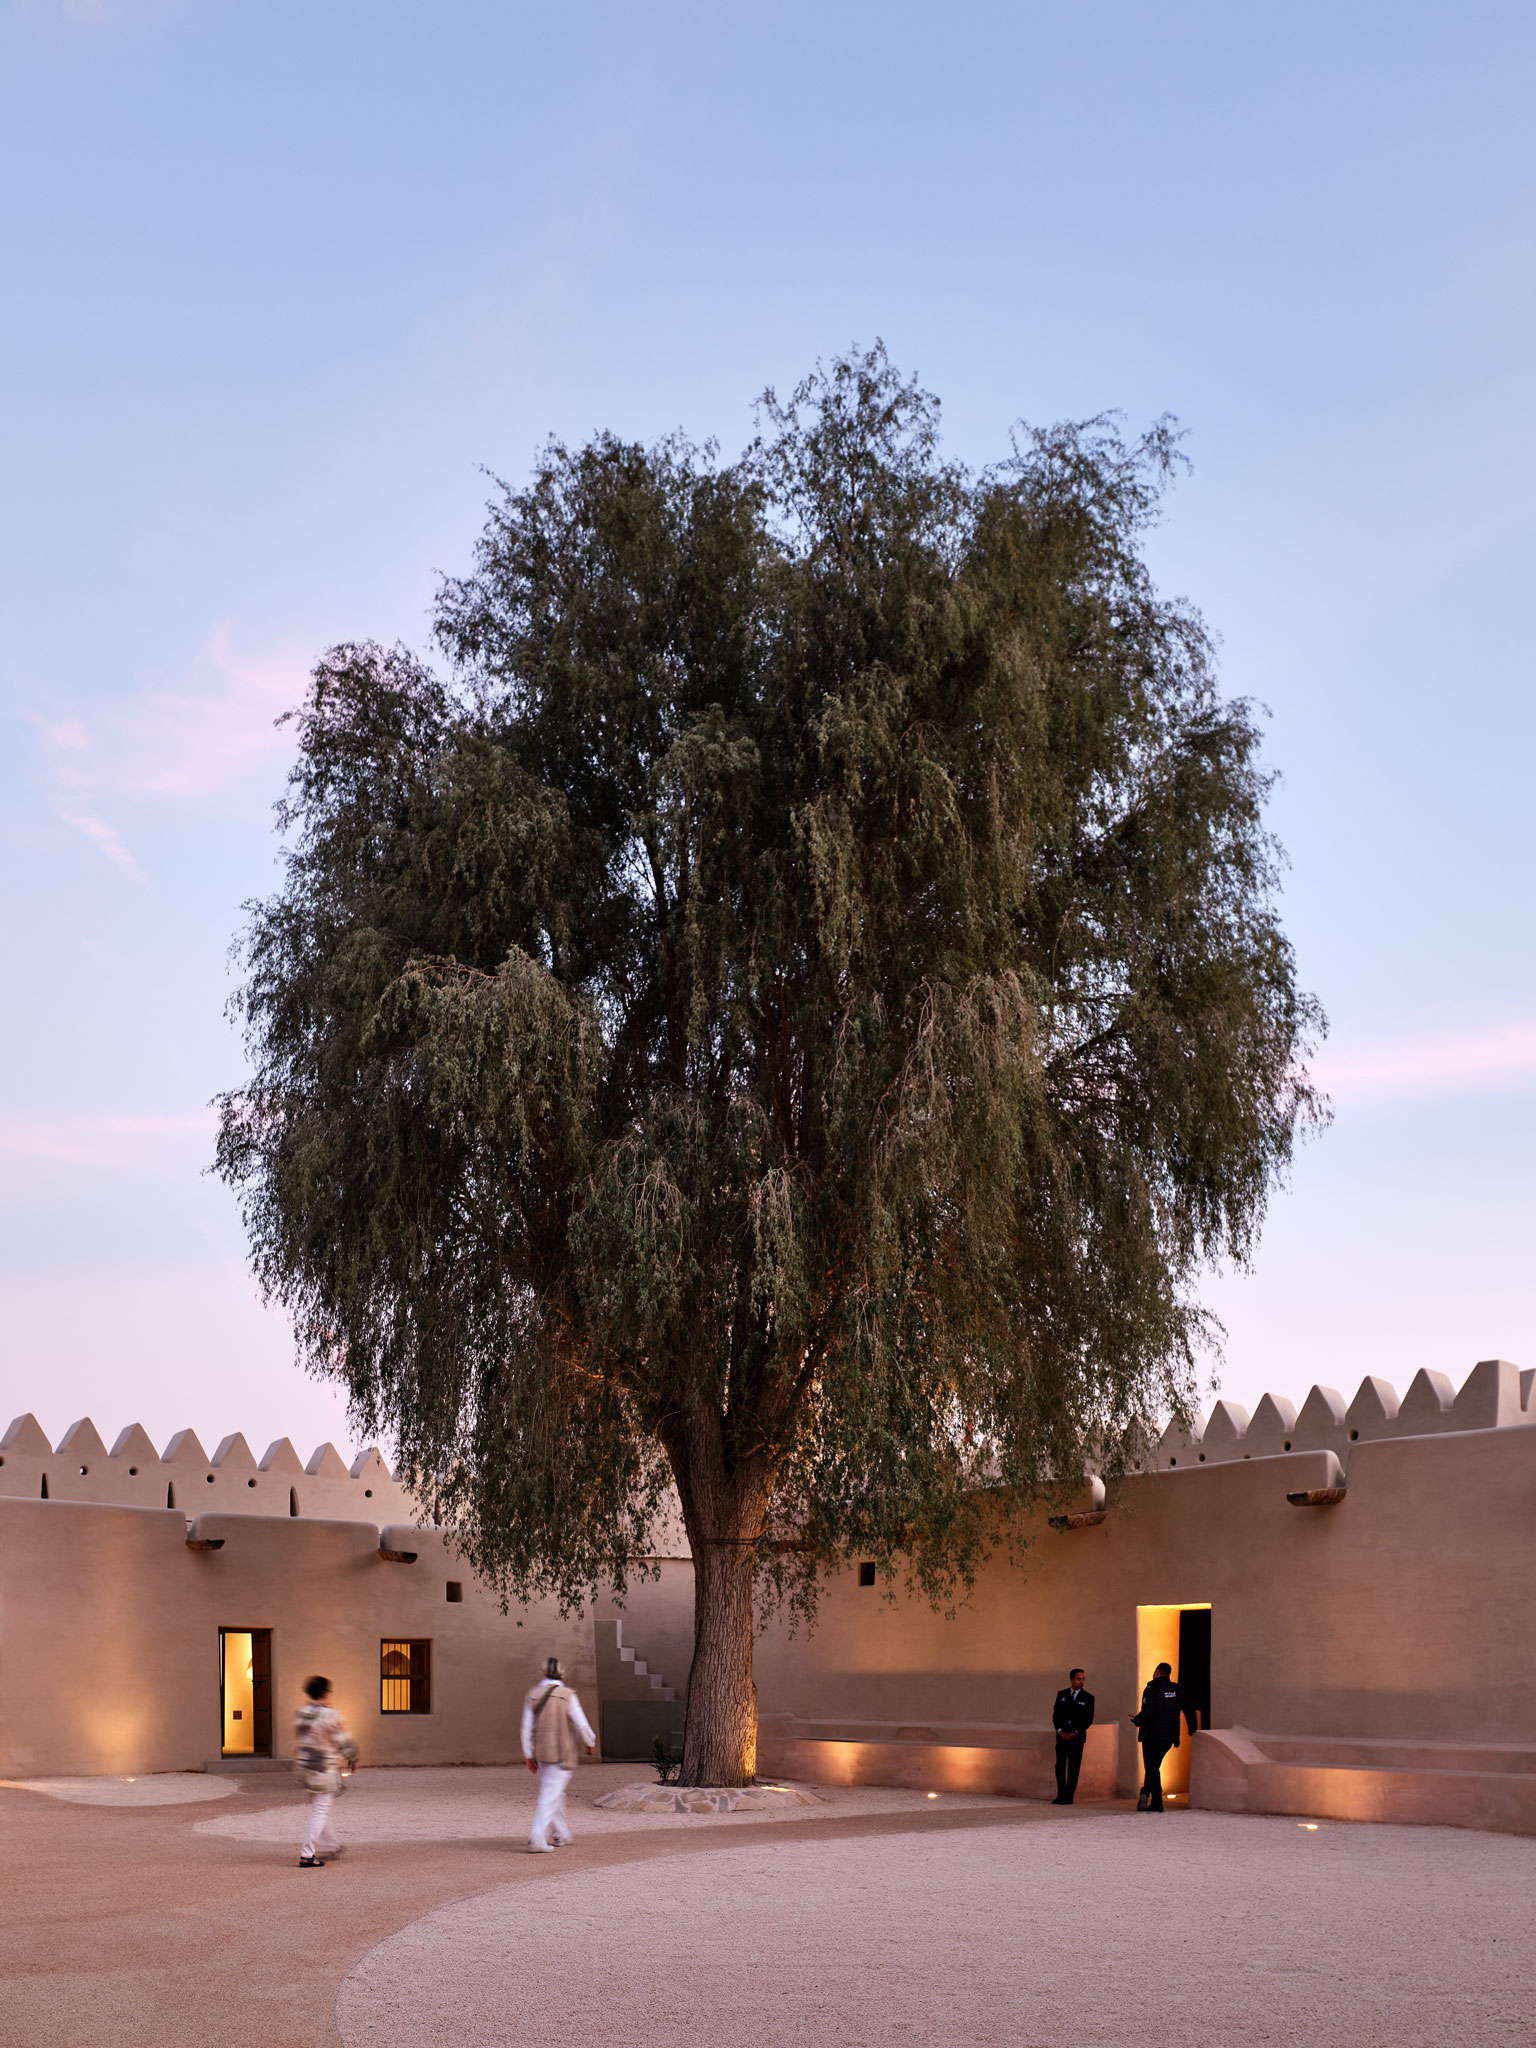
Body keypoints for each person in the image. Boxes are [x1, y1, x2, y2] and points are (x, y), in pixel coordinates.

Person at [521, 1656, 596, 1852]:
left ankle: (560, 1834)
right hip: (562, 1751)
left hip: (542, 1751)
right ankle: (537, 1837)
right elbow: (581, 1722)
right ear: (562, 1672)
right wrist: (590, 1742)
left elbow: (526, 1728)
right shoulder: (567, 1694)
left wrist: (528, 1754)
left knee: (554, 1791)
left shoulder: (533, 1694)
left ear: (543, 1672)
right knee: (551, 1793)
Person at [294, 1674, 359, 1867]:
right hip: (323, 1767)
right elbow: (343, 1740)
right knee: (320, 1810)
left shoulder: (301, 1713)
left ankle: (331, 1846)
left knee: (320, 1807)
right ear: (325, 1693)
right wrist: (352, 1758)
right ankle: (307, 1854)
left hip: (305, 1766)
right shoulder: (331, 1715)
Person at [1131, 1660, 1198, 1811]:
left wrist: (1137, 1720)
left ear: (1157, 1673)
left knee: (1152, 1767)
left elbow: (1148, 1712)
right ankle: (1149, 1796)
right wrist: (1192, 1728)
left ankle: (1154, 1800)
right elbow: (1189, 1709)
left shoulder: (1151, 1689)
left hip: (1151, 1736)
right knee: (1154, 1767)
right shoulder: (1177, 1689)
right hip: (1169, 1736)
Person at [1051, 1667, 1094, 1804]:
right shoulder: (1062, 1695)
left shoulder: (1088, 1698)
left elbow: (1088, 1719)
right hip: (1062, 1737)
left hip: (1077, 1738)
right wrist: (1059, 1730)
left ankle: (1069, 1796)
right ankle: (1060, 1794)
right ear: (1071, 1679)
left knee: (1073, 1767)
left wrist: (1075, 1733)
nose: (1081, 1682)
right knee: (1060, 1766)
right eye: (1078, 1679)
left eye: (1083, 1679)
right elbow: (1056, 1715)